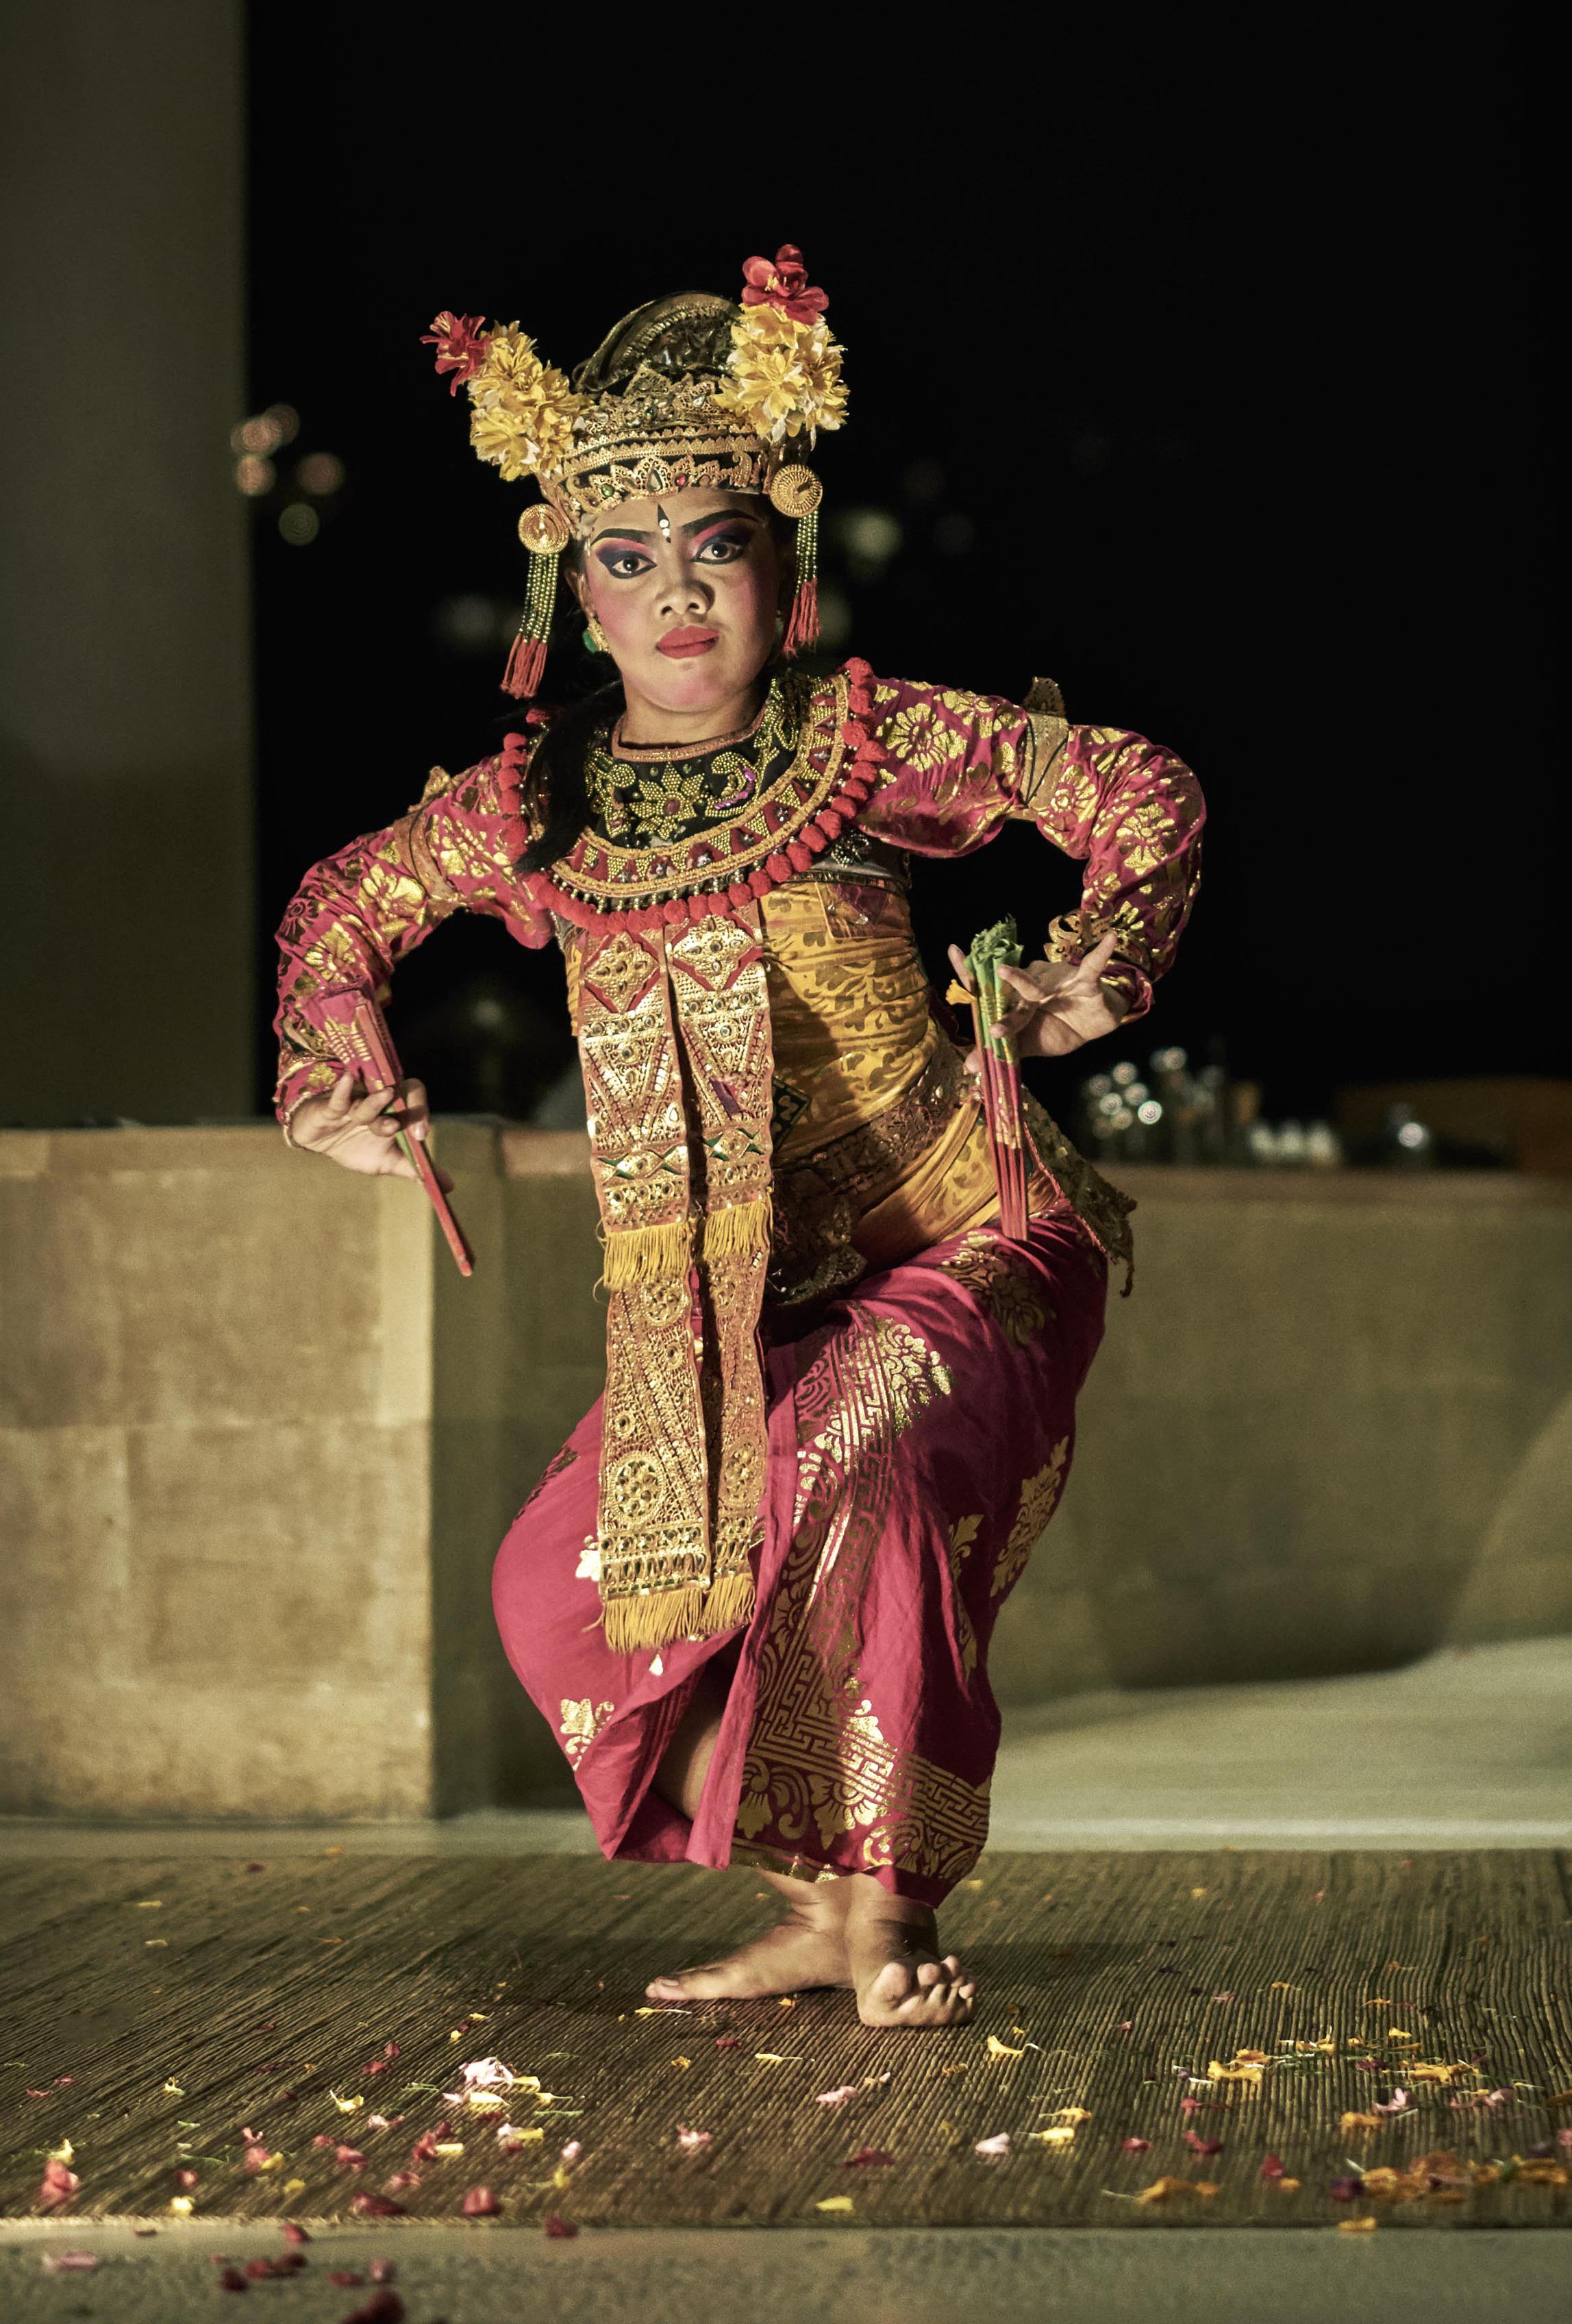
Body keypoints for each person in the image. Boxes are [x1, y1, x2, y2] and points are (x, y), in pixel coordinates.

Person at [273, 249, 1203, 2027]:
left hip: (972, 1237)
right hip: (737, 1316)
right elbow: (338, 914)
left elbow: (1137, 790)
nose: (677, 593)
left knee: (854, 1460)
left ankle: (892, 1908)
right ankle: (810, 1901)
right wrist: (342, 1096)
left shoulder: (862, 745)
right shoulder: (537, 811)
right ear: (575, 587)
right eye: (628, 560)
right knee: (559, 1591)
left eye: (716, 546)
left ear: (785, 561)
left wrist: (1103, 963)